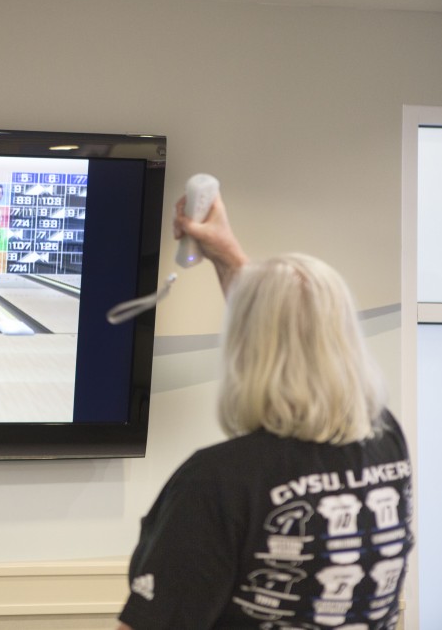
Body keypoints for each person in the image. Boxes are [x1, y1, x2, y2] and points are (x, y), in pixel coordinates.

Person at [116, 194, 414, 630]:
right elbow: (296, 325)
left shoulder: (219, 480)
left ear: (245, 352)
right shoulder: (386, 439)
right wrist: (228, 255)